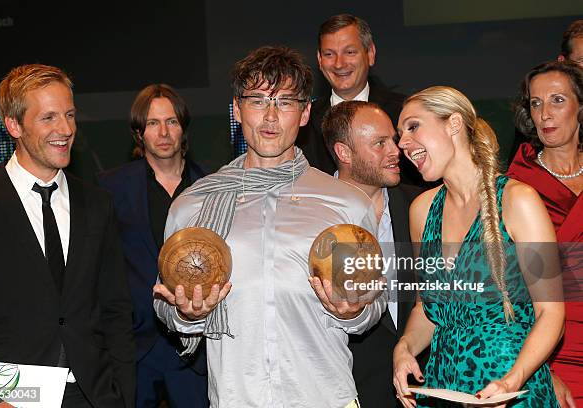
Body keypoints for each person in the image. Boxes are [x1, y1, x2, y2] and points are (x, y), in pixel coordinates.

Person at [153, 45, 388, 408]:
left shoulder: (346, 203)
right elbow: (166, 304)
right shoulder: (192, 207)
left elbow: (374, 301)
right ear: (237, 108)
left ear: (306, 112)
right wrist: (187, 313)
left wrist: (354, 310)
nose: (271, 117)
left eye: (286, 102)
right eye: (258, 100)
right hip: (236, 399)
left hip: (326, 398)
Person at [0, 64, 135, 407]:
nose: (66, 129)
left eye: (70, 115)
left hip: (93, 395)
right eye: (48, 118)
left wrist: (121, 394)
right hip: (10, 398)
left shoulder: (97, 204)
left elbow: (115, 310)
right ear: (14, 125)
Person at [392, 86, 565, 407]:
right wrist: (403, 348)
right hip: (443, 386)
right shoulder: (421, 211)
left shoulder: (517, 201)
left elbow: (551, 312)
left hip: (511, 389)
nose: (401, 143)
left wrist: (512, 380)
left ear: (454, 124)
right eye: (399, 134)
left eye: (413, 127)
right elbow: (426, 311)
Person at [98, 84, 208, 407]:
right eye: (152, 123)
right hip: (135, 343)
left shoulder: (210, 187)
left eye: (171, 122)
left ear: (183, 128)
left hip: (194, 345)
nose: (163, 132)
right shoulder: (110, 188)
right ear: (139, 132)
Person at [322, 100, 422, 407]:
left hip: (420, 384)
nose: (396, 150)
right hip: (346, 388)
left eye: (393, 139)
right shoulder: (312, 215)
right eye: (380, 143)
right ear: (344, 153)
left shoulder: (421, 206)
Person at [508, 60, 582, 407]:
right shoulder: (516, 183)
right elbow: (506, 290)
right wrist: (542, 369)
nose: (544, 114)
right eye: (535, 103)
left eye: (557, 100)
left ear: (580, 106)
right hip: (556, 350)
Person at [297, 14, 422, 185]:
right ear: (319, 60)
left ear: (370, 53)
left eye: (349, 52)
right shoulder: (303, 121)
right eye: (329, 54)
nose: (339, 64)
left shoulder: (406, 113)